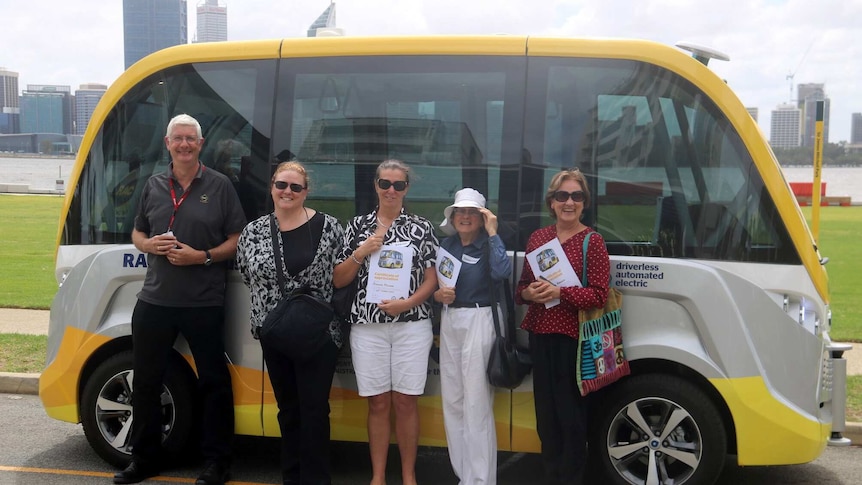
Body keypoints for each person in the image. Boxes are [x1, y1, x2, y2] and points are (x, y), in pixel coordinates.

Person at [116, 114, 247, 485]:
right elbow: (138, 231)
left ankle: (216, 462)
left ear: (201, 144)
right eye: (179, 139)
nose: (185, 144)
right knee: (145, 382)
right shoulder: (154, 185)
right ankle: (144, 459)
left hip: (203, 301)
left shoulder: (220, 186)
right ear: (167, 143)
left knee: (213, 384)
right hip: (155, 300)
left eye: (191, 138)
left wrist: (201, 256)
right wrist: (147, 245)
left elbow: (237, 237)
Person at [235, 161, 345, 485]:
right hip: (276, 333)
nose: (288, 192)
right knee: (289, 410)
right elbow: (246, 273)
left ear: (306, 192)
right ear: (271, 187)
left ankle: (316, 480)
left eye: (296, 187)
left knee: (314, 411)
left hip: (319, 335)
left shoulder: (329, 227)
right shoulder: (253, 231)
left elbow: (341, 275)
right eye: (282, 185)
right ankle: (291, 477)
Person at [332, 159, 439, 485]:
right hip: (367, 327)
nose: (391, 190)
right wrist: (362, 251)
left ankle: (408, 476)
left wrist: (407, 303)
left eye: (399, 185)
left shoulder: (422, 227)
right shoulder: (356, 226)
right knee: (378, 403)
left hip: (411, 326)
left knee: (405, 402)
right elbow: (338, 279)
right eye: (385, 184)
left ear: (407, 188)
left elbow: (432, 280)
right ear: (376, 186)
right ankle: (378, 477)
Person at [515, 169, 610, 485]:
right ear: (552, 202)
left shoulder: (592, 242)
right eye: (562, 196)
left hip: (575, 341)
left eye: (576, 196)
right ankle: (551, 477)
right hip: (541, 335)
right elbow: (522, 288)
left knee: (571, 420)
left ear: (584, 203)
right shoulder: (538, 238)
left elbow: (599, 295)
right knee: (547, 419)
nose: (569, 202)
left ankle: (570, 479)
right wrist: (530, 293)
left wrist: (560, 293)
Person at [433, 188, 511, 485]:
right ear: (452, 217)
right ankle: (463, 474)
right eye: (460, 212)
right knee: (453, 401)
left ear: (481, 218)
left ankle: (480, 480)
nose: (464, 217)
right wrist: (439, 295)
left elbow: (502, 272)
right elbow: (436, 287)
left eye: (471, 213)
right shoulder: (447, 246)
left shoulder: (488, 244)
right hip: (452, 319)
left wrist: (493, 233)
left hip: (481, 319)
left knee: (477, 403)